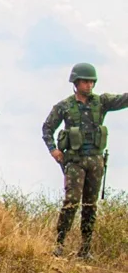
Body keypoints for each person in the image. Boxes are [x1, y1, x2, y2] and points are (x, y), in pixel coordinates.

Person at [42, 63, 128, 260]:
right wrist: (53, 150)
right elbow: (47, 128)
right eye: (85, 81)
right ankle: (59, 245)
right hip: (75, 161)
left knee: (90, 205)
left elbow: (124, 99)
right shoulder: (64, 106)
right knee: (71, 202)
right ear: (76, 82)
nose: (89, 85)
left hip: (96, 162)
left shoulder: (101, 102)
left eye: (91, 81)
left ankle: (85, 249)